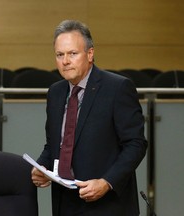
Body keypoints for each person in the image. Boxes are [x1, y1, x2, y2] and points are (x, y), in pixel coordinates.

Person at [31, 20, 147, 216]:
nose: (65, 61)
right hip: (64, 203)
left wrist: (106, 182)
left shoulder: (117, 88)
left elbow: (135, 144)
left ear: (90, 54)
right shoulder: (55, 92)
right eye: (60, 55)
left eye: (72, 53)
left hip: (106, 204)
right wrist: (42, 167)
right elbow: (55, 144)